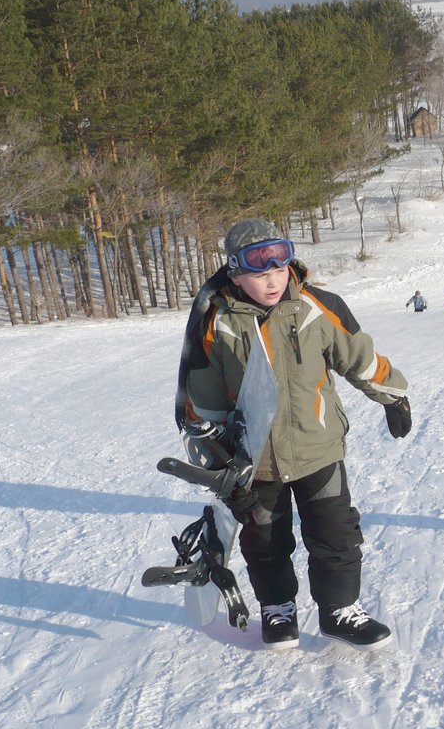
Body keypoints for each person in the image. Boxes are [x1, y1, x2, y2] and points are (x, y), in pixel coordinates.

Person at [175, 218, 412, 650]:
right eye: (259, 272)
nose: (272, 281)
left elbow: (358, 357)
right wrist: (219, 467)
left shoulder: (317, 306)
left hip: (318, 448)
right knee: (264, 539)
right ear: (234, 271)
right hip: (254, 460)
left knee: (336, 532)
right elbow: (203, 405)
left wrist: (392, 395)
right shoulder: (217, 322)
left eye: (279, 269)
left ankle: (339, 610)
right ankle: (277, 608)